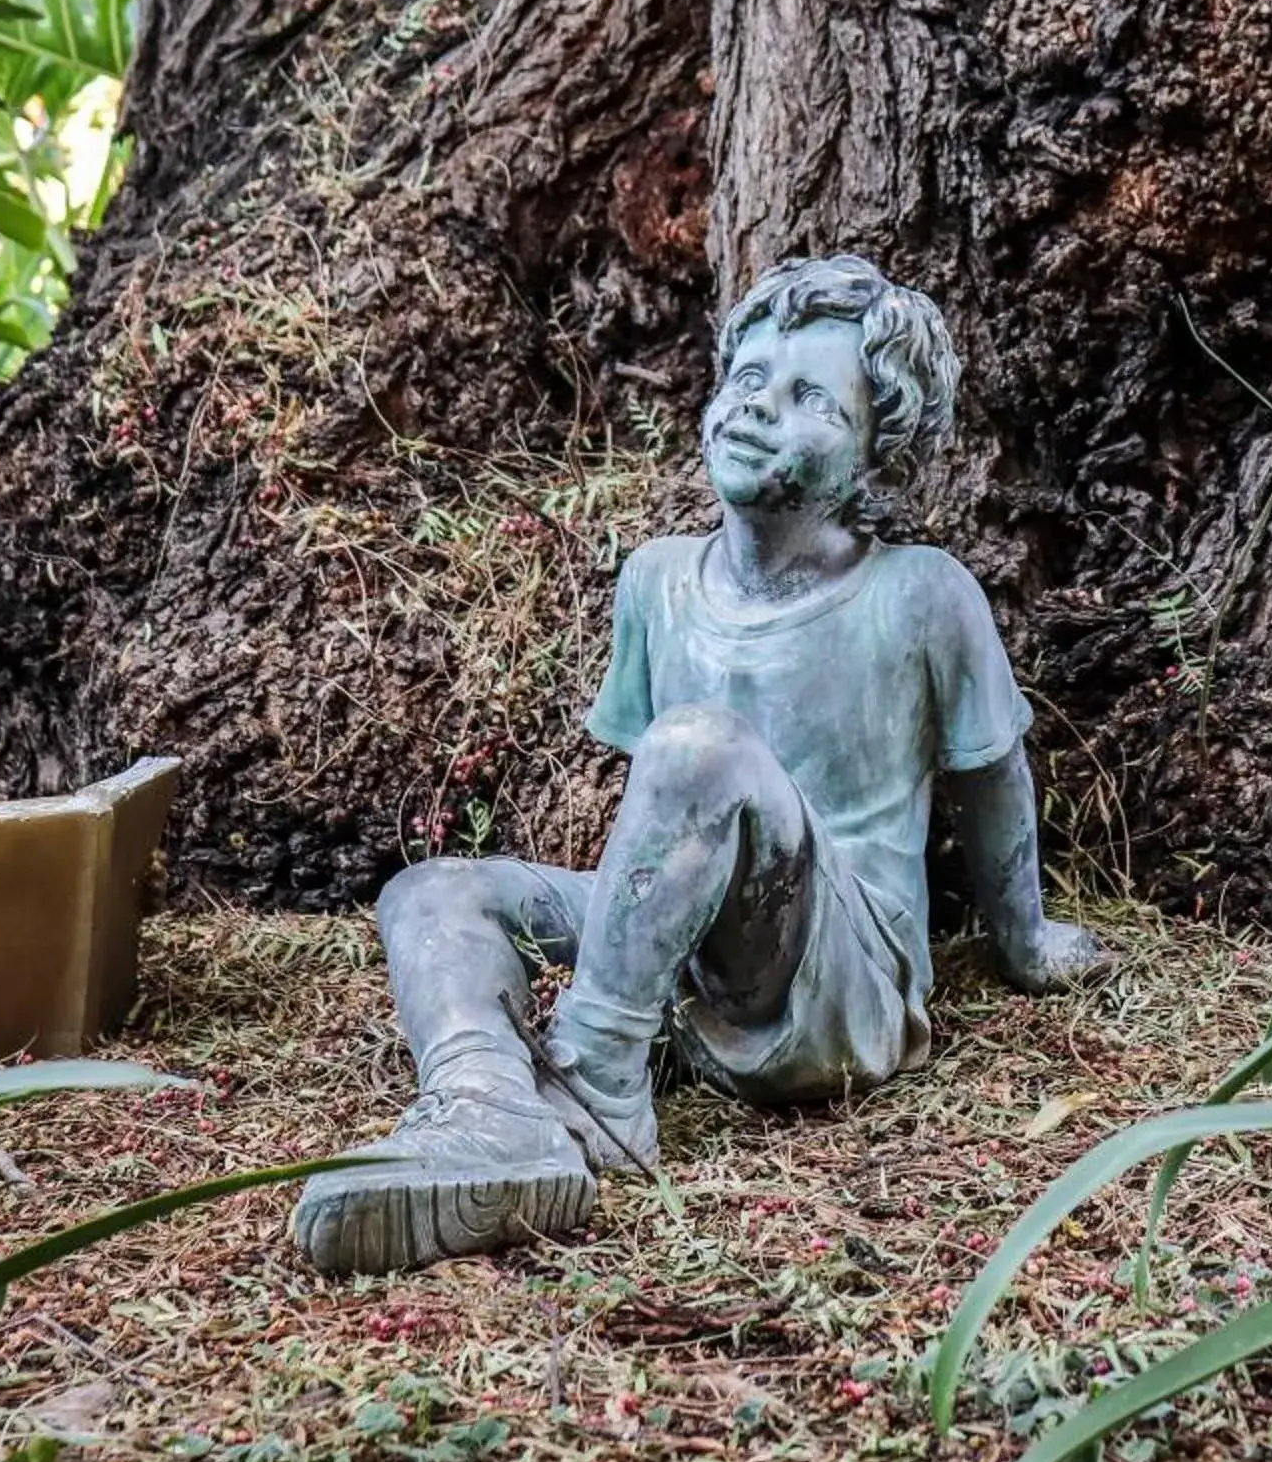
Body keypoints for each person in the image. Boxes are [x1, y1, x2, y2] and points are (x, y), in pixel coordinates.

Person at [293, 255, 1110, 1274]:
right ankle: (486, 1103)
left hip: (836, 979)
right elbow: (661, 836)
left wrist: (1024, 939)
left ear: (877, 458)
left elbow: (993, 781)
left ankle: (594, 1085)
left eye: (811, 395)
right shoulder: (657, 581)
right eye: (749, 380)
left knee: (698, 743)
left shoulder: (923, 594)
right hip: (688, 974)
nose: (761, 407)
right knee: (434, 890)